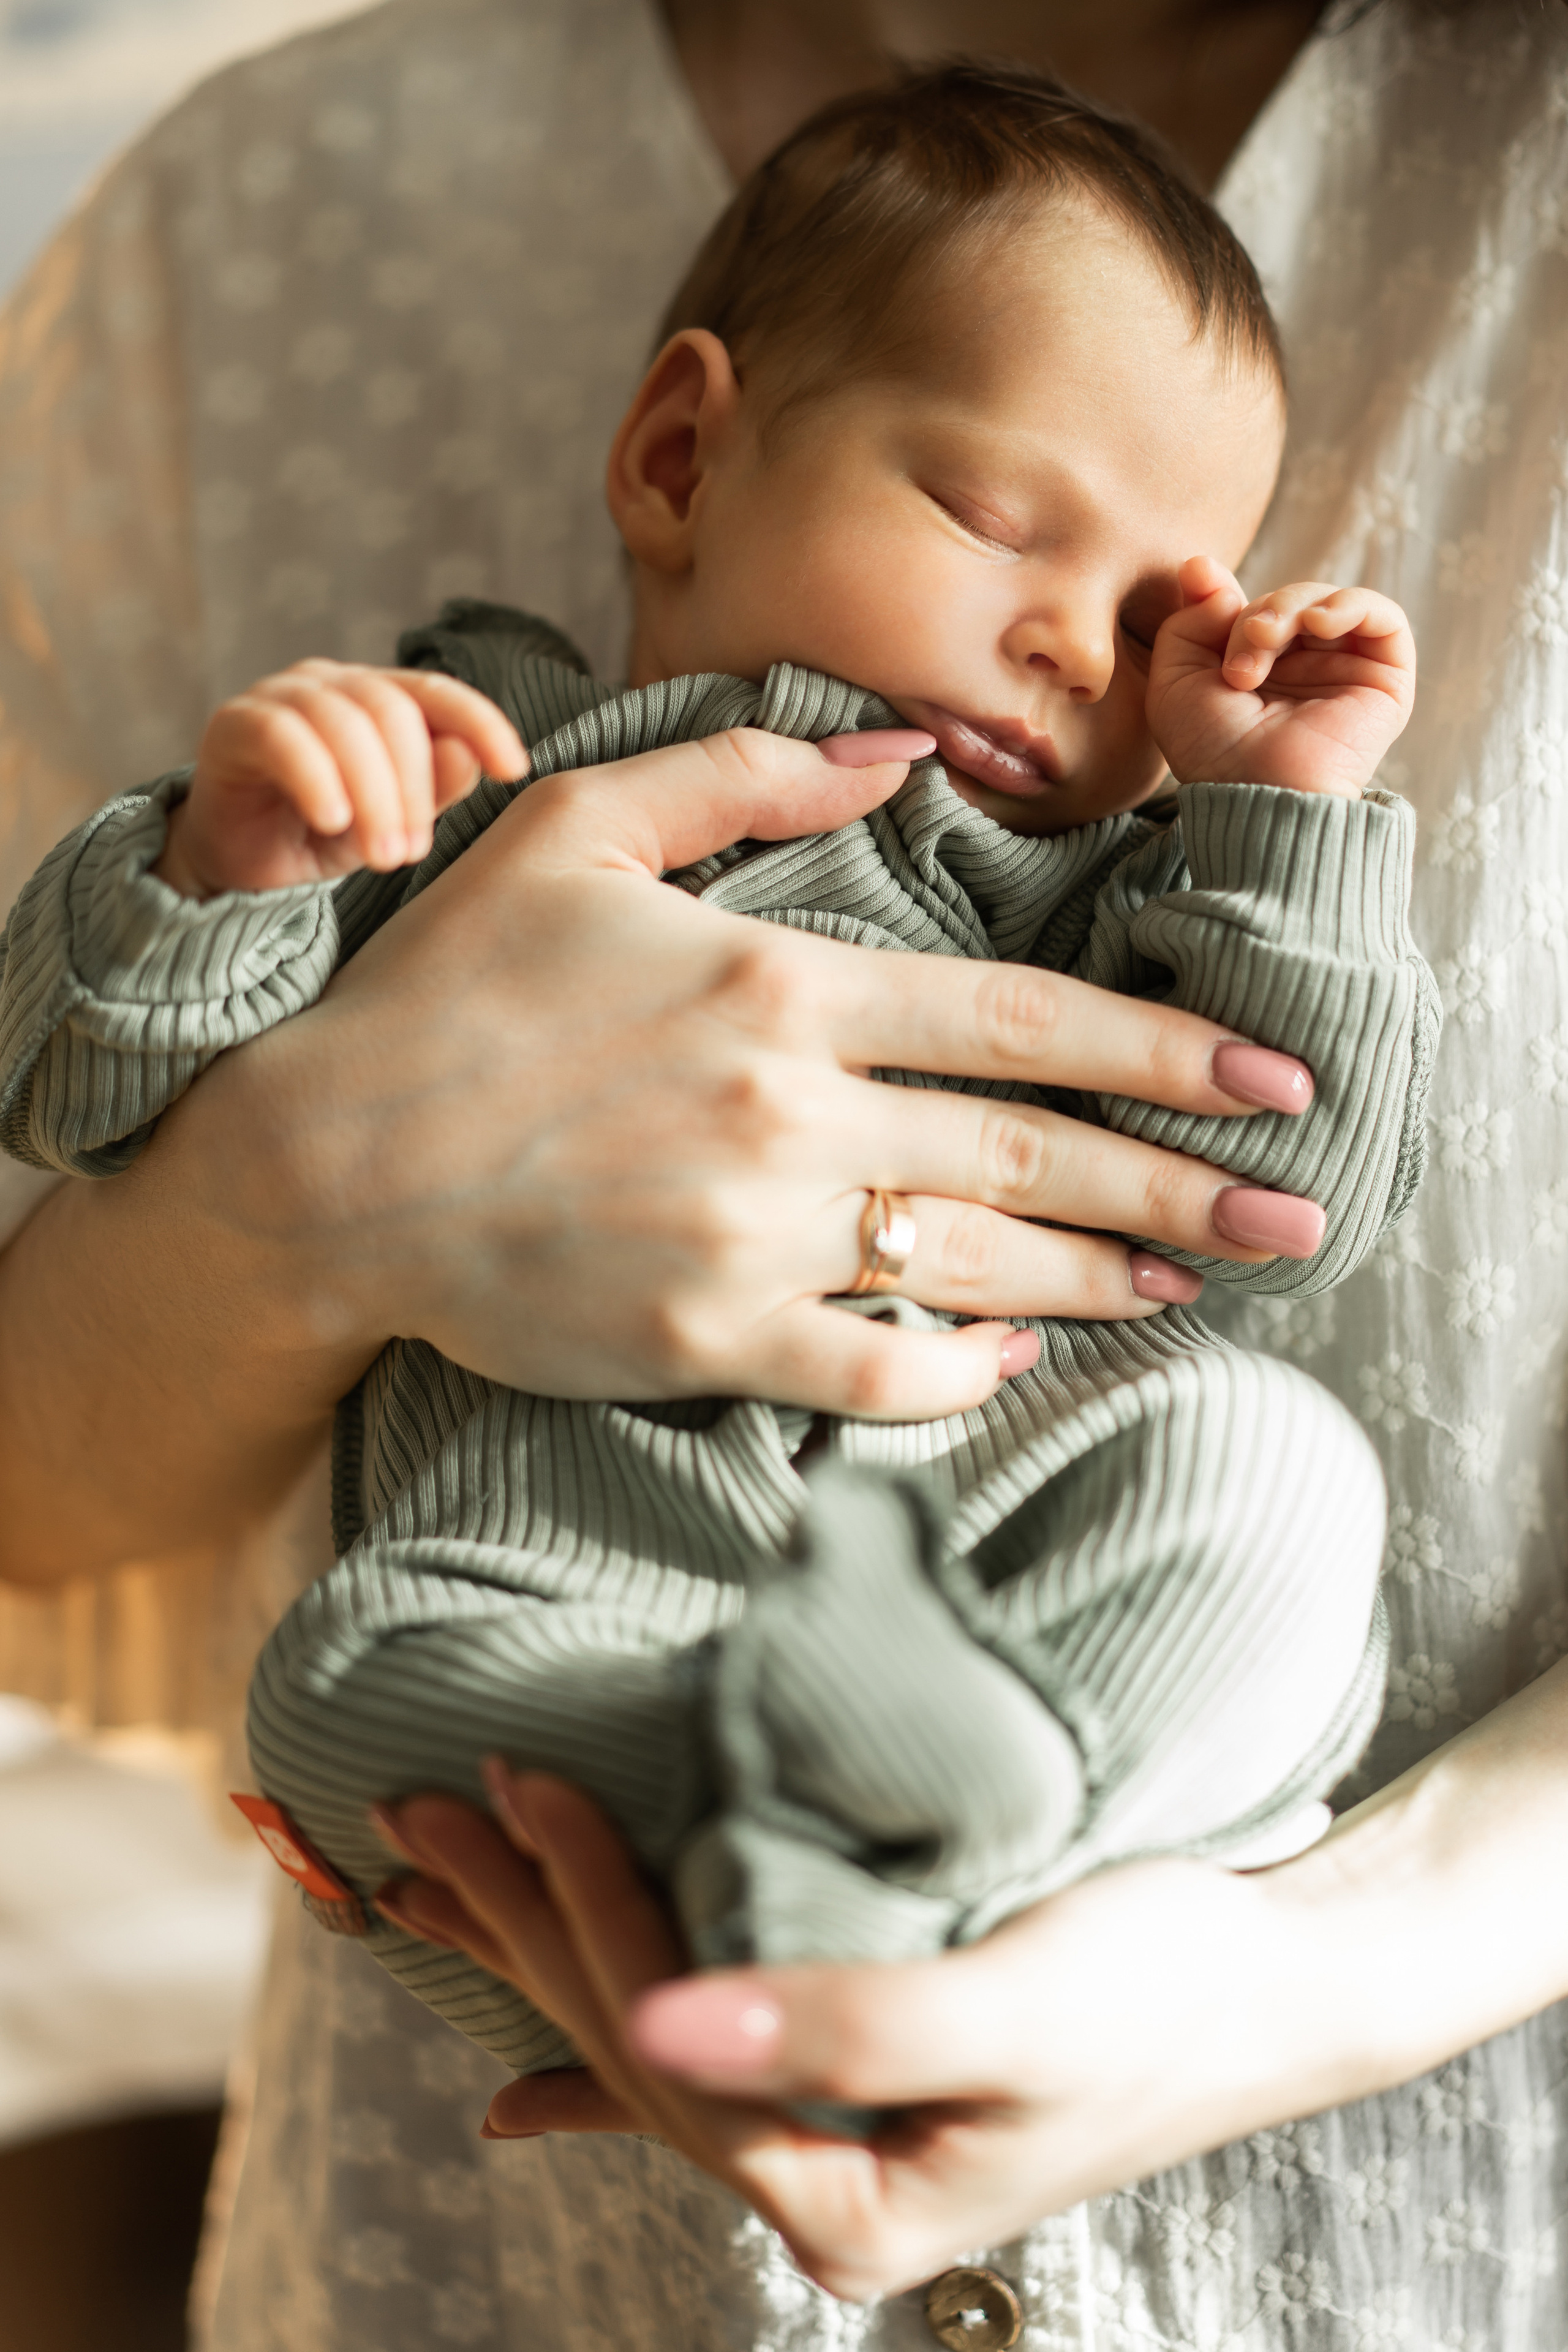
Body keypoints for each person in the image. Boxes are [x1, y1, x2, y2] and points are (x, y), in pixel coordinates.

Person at [0, 2, 1562, 2348]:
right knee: (344, 1692)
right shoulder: (462, 778)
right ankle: (783, 1818)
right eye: (996, 522)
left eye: (1156, 619)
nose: (1070, 639)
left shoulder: (1093, 903)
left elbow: (1278, 1186)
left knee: (1277, 1479)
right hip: (563, 1627)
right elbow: (66, 1084)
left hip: (1000, 1596)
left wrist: (1278, 820)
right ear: (678, 453)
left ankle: (953, 1801)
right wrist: (230, 869)